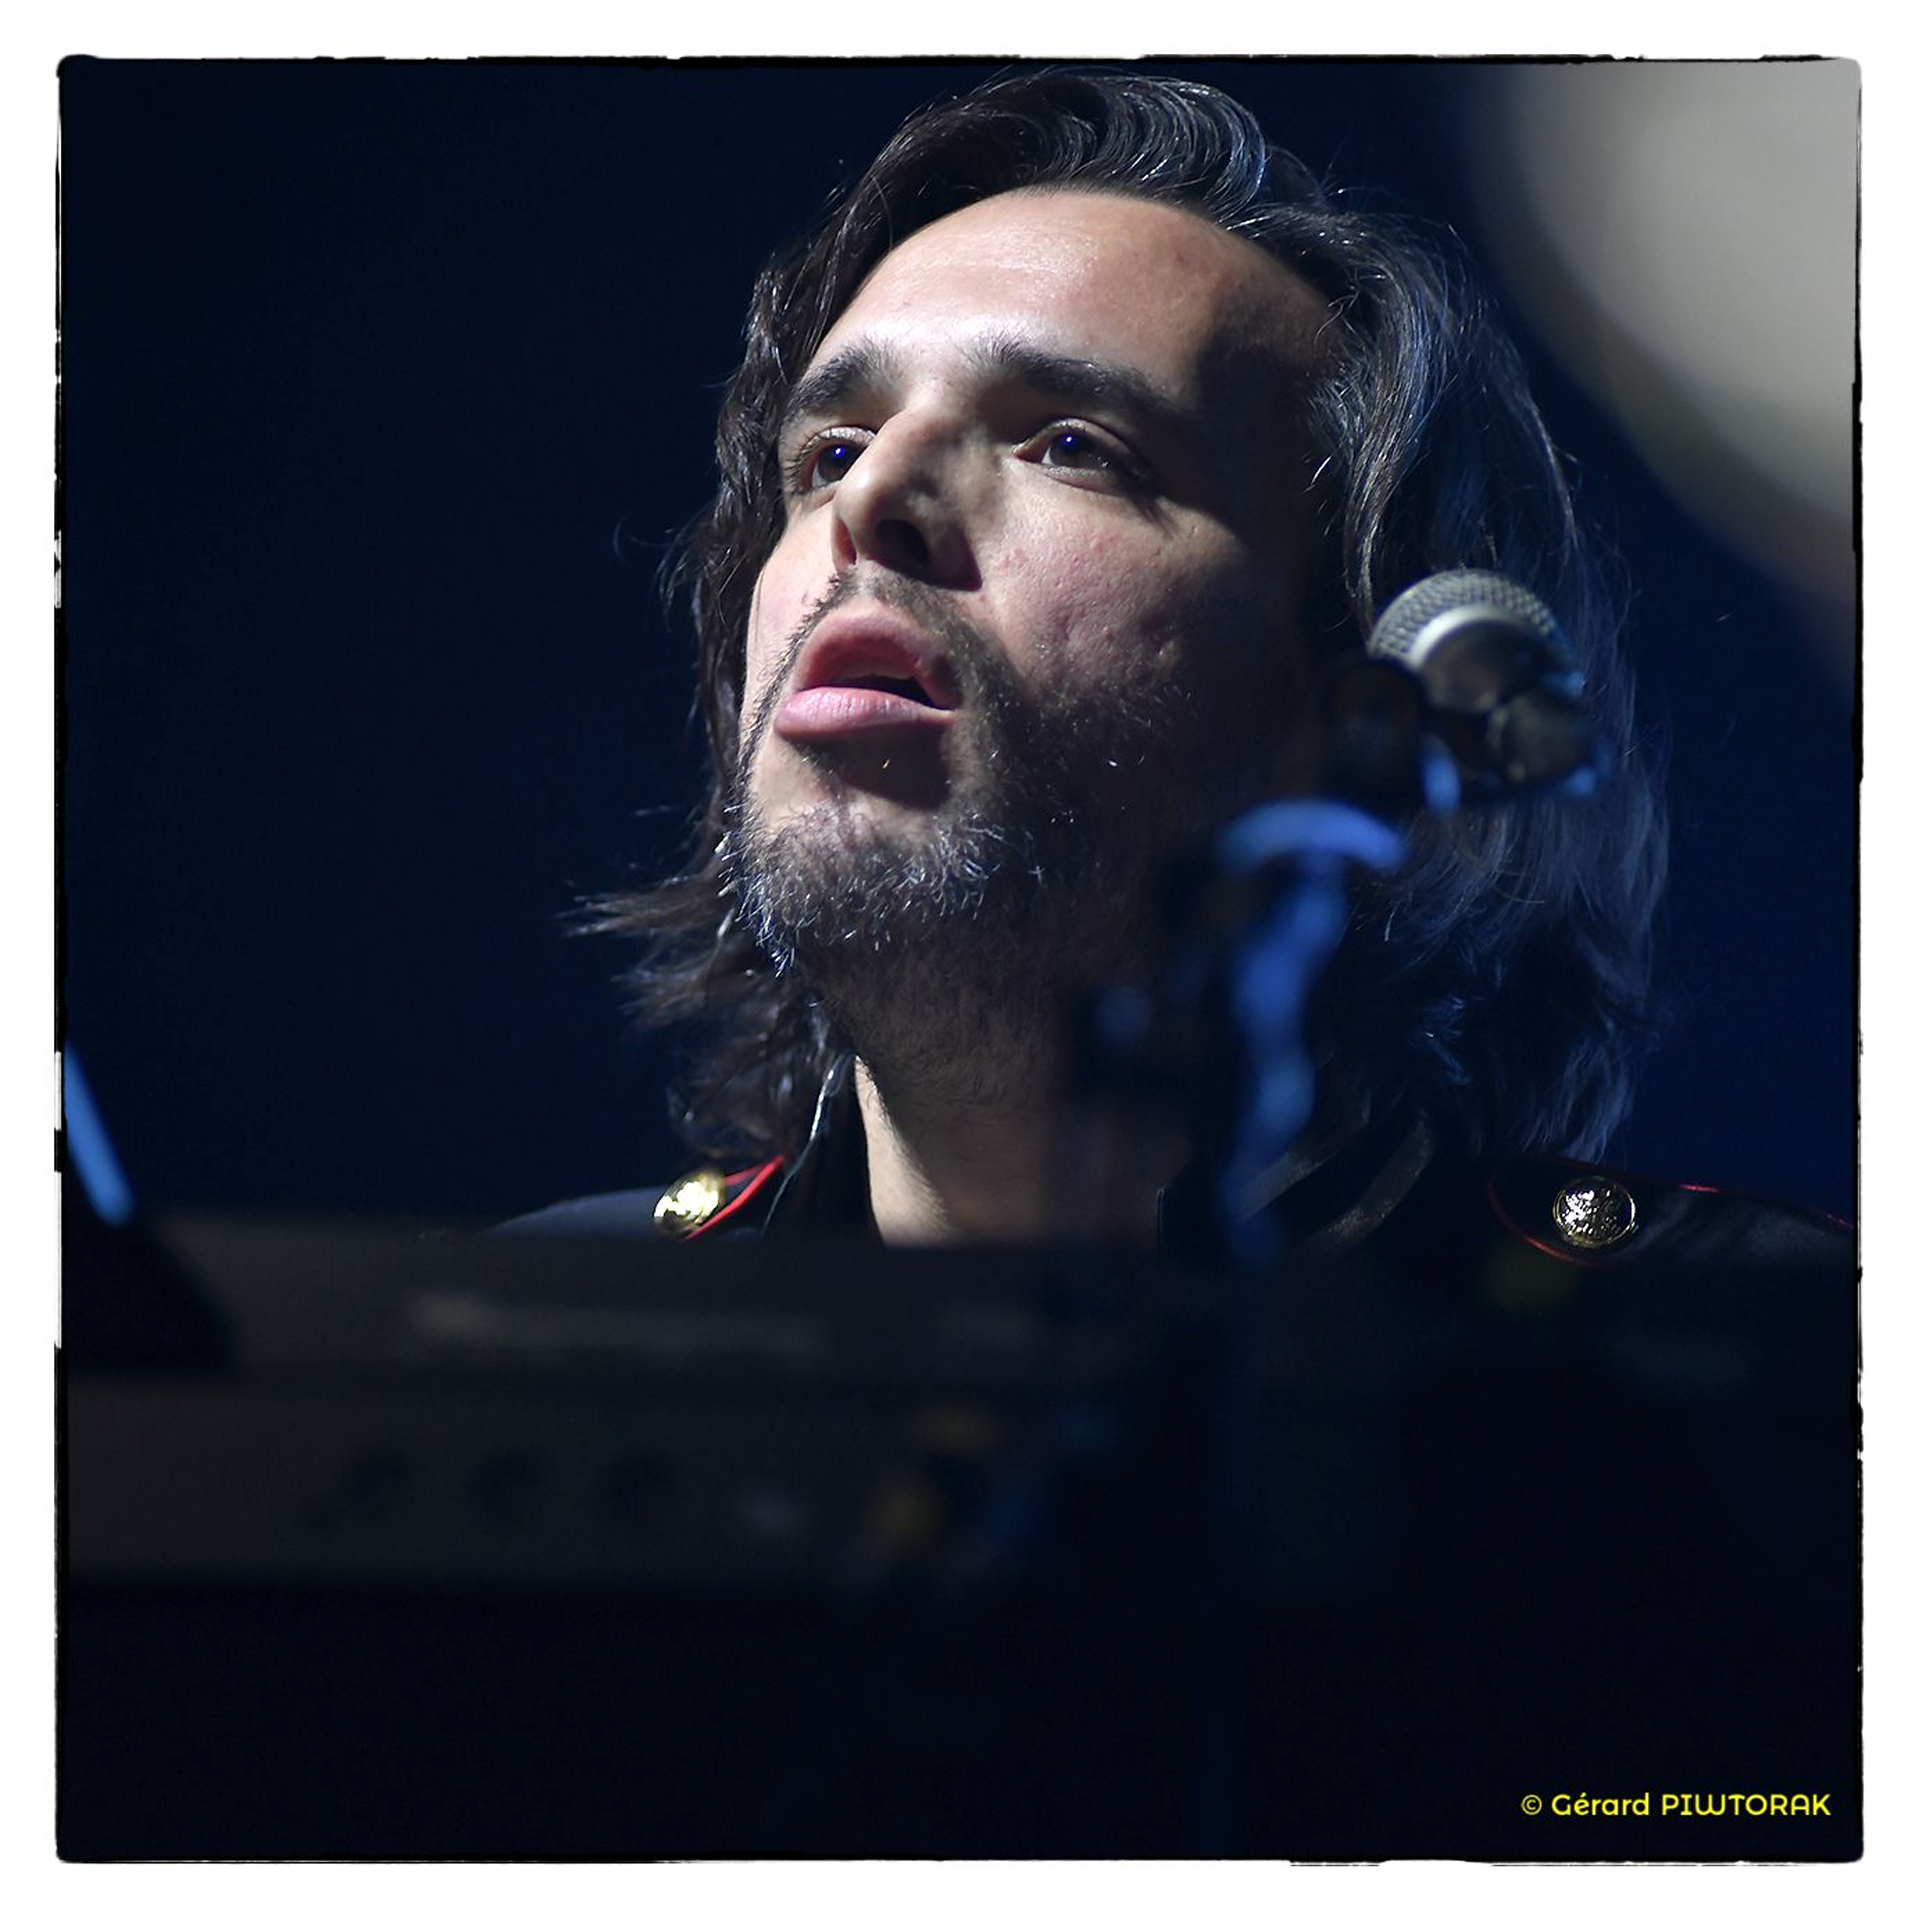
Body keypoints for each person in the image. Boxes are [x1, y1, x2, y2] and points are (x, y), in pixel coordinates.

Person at [512, 66, 1798, 1272]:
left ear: (1358, 698)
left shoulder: (1766, 1356)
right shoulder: (534, 1338)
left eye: (1070, 445)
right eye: (831, 452)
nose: (873, 497)